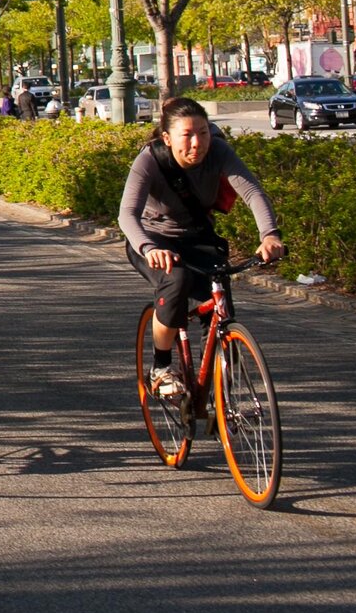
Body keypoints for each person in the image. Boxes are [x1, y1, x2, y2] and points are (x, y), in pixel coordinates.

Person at [121, 97, 284, 401]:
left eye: (204, 132)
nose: (197, 143)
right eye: (187, 135)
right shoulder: (150, 160)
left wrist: (269, 235)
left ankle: (215, 386)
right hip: (153, 241)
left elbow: (251, 191)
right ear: (167, 138)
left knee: (219, 305)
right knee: (177, 281)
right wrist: (148, 247)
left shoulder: (219, 151)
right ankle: (162, 367)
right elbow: (127, 215)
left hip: (198, 238)